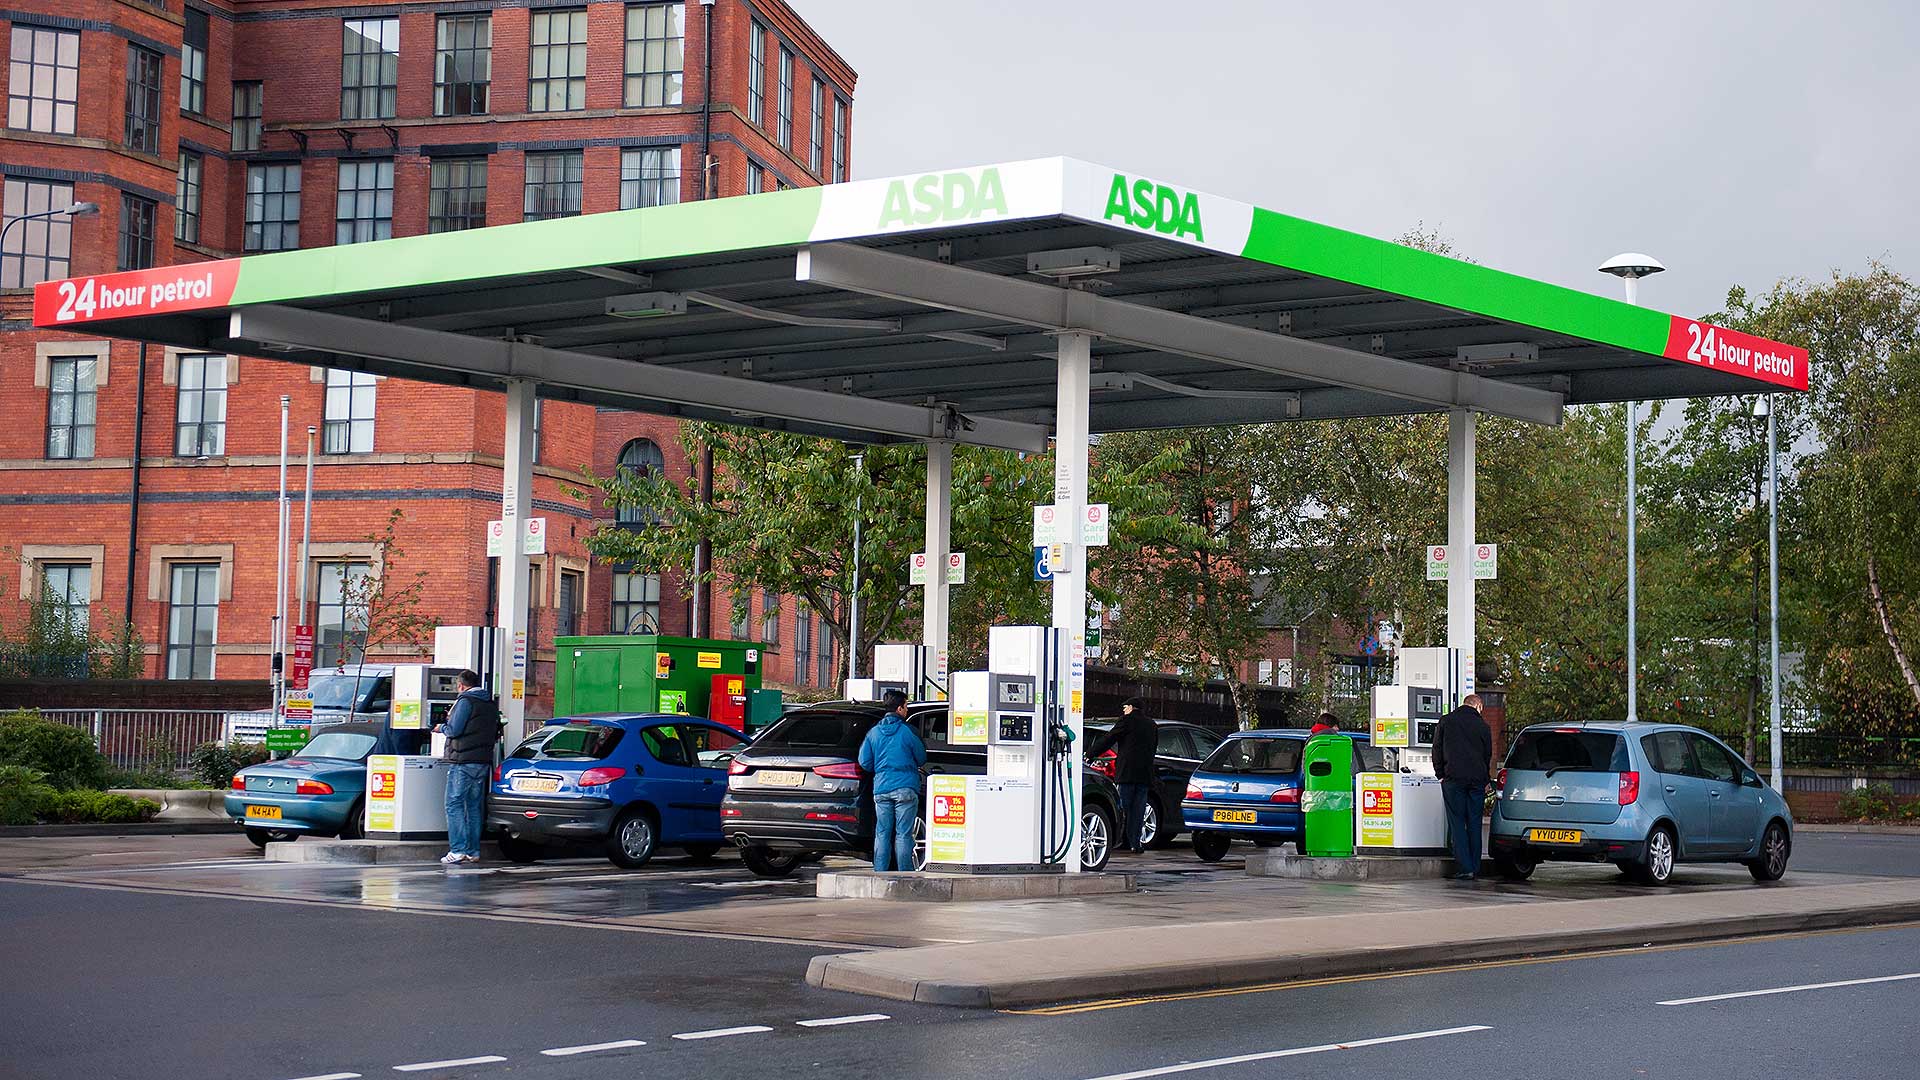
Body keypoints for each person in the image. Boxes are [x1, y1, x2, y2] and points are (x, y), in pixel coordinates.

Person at [857, 689, 927, 872]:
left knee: (882, 832)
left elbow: (864, 762)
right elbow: (921, 757)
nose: (907, 710)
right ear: (899, 709)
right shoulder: (907, 732)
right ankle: (905, 875)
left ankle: (880, 873)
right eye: (905, 706)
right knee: (903, 834)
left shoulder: (873, 733)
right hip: (905, 787)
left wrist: (881, 770)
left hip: (881, 788)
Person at [436, 670, 500, 865]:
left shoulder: (465, 701)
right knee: (473, 806)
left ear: (461, 685)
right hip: (482, 761)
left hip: (463, 761)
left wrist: (441, 728)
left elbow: (455, 730)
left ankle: (457, 850)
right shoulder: (489, 703)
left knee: (453, 804)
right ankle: (473, 851)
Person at [1432, 692, 1493, 881]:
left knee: (1457, 822)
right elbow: (1487, 755)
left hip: (1453, 779)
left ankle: (1464, 867)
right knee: (1474, 821)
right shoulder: (1483, 726)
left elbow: (1437, 748)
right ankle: (1475, 866)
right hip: (1476, 781)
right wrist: (1485, 780)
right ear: (1478, 706)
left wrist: (1440, 774)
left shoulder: (1446, 721)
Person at [1086, 697, 1157, 854]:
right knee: (1139, 810)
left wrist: (1090, 754)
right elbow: (1153, 748)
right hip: (1145, 774)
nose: (1123, 711)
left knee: (1123, 807)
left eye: (1125, 708)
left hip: (1127, 773)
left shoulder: (1126, 721)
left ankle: (1120, 840)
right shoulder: (1151, 725)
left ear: (1131, 707)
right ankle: (1135, 843)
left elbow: (1109, 739)